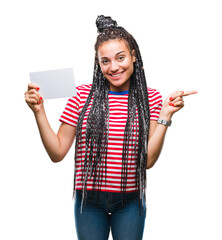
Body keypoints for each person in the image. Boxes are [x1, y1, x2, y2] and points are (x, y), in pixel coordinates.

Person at [25, 15, 197, 240]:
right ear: (98, 63)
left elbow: (148, 162)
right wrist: (39, 112)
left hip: (130, 201)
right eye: (105, 61)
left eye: (120, 57)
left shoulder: (151, 98)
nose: (114, 67)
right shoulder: (81, 95)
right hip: (89, 201)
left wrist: (165, 115)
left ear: (133, 57)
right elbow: (57, 153)